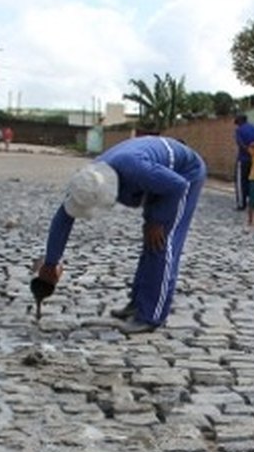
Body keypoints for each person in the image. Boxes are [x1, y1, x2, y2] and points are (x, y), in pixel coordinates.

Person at [30, 136, 207, 334]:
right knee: (151, 240)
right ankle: (138, 304)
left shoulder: (137, 170)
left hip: (185, 175)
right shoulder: (89, 178)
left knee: (161, 243)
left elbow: (178, 185)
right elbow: (63, 219)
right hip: (160, 180)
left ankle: (151, 316)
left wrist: (157, 220)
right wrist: (52, 262)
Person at [234, 114, 254, 211]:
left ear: (240, 121)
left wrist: (247, 151)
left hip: (243, 159)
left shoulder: (239, 130)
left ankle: (242, 204)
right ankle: (253, 203)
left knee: (241, 182)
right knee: (252, 181)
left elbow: (240, 143)